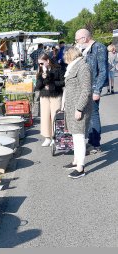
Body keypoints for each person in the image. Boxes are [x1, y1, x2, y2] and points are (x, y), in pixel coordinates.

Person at [75, 29, 108, 154]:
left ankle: (95, 144)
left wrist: (97, 90)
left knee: (93, 115)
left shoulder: (99, 48)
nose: (76, 42)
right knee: (87, 116)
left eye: (77, 39)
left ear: (84, 38)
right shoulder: (84, 49)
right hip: (84, 88)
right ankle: (91, 141)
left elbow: (103, 70)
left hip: (93, 88)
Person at [61, 47, 93, 179]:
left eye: (66, 59)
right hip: (71, 107)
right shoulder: (74, 66)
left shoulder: (83, 67)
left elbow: (86, 90)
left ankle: (81, 168)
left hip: (79, 108)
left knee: (79, 138)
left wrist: (79, 108)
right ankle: (75, 161)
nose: (65, 61)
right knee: (75, 136)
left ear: (70, 57)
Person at [35, 53, 65, 146]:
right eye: (39, 64)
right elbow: (38, 86)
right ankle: (47, 137)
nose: (40, 65)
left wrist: (52, 84)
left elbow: (63, 82)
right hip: (44, 95)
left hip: (55, 95)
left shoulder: (58, 68)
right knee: (45, 116)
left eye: (41, 63)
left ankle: (55, 137)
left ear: (47, 61)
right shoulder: (40, 70)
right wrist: (43, 78)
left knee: (55, 116)